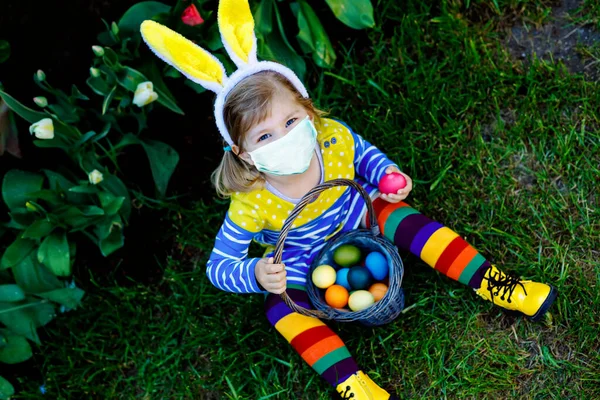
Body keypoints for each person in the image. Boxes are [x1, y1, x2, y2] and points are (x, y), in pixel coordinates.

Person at [140, 2, 557, 398]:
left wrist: (387, 176)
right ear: (242, 152)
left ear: (308, 108)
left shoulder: (331, 137)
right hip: (305, 263)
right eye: (265, 136)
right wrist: (257, 274)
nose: (284, 137)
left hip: (363, 217)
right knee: (280, 311)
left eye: (291, 120)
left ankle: (494, 283)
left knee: (407, 220)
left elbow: (365, 155)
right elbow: (219, 266)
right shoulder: (251, 201)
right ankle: (351, 380)